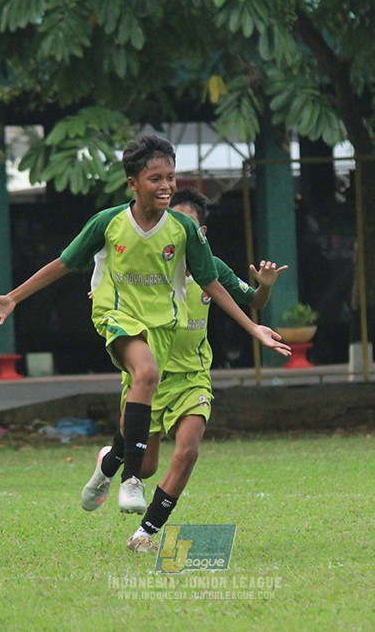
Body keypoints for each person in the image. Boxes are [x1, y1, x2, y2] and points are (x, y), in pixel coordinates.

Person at [0, 134, 291, 514]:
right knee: (146, 373)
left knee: (147, 446)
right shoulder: (108, 223)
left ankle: (109, 467)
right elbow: (63, 264)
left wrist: (252, 327)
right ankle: (130, 483)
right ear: (133, 183)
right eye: (156, 179)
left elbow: (211, 282)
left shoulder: (184, 230)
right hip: (116, 316)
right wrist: (13, 297)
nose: (166, 186)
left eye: (171, 178)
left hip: (162, 327)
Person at [80, 188, 287, 553]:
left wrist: (264, 288)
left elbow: (252, 301)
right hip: (148, 378)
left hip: (193, 378)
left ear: (199, 234)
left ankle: (145, 534)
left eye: (183, 226)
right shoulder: (143, 269)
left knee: (188, 451)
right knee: (142, 468)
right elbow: (109, 283)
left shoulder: (213, 269)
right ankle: (108, 463)